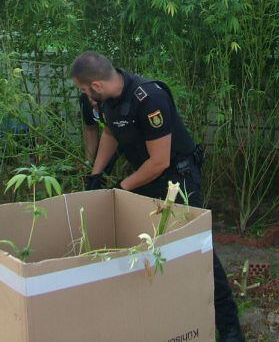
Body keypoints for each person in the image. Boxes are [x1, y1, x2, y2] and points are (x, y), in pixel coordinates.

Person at [72, 52, 245, 342]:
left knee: (198, 252)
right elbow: (110, 134)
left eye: (83, 89)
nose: (84, 95)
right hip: (144, 177)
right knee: (144, 246)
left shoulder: (148, 98)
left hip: (176, 180)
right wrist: (96, 174)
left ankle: (229, 328)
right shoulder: (108, 102)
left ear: (97, 85)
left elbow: (159, 161)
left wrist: (122, 189)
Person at [79, 92, 119, 175]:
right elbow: (91, 129)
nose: (93, 102)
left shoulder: (117, 98)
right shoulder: (85, 100)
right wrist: (88, 161)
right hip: (109, 136)